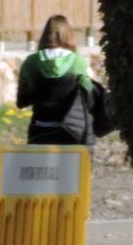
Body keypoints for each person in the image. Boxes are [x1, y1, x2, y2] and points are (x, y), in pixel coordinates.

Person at [16, 13, 110, 147]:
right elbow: (89, 96)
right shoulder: (77, 62)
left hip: (40, 130)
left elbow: (22, 101)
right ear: (69, 35)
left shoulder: (30, 63)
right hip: (71, 132)